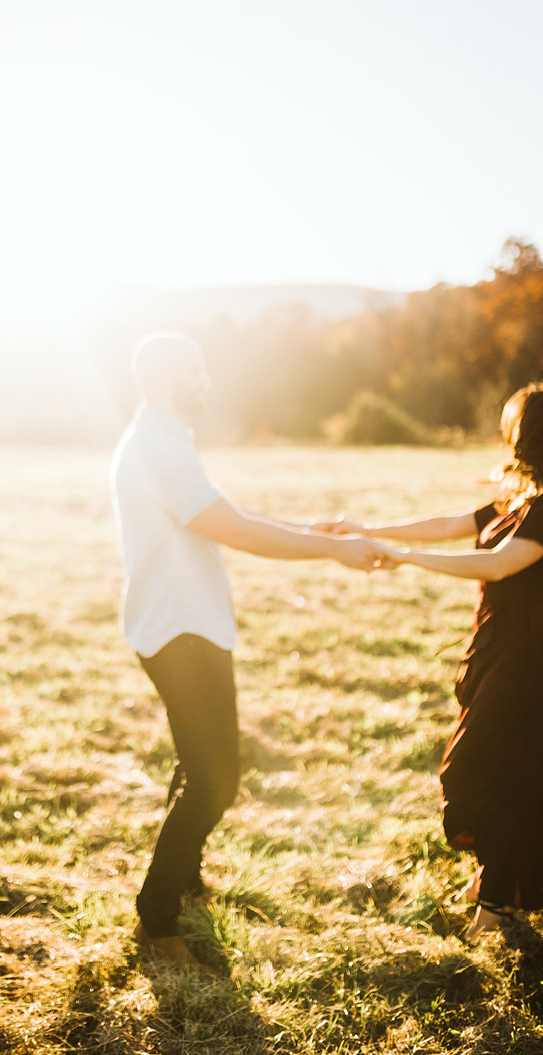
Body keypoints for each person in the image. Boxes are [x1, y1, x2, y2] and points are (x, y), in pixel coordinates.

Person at [111, 331, 388, 969]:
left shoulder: (165, 439)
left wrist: (304, 529)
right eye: (194, 370)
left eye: (205, 369)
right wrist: (333, 550)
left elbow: (220, 511)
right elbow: (232, 529)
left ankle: (184, 881)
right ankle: (156, 920)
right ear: (159, 378)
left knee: (198, 763)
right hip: (179, 629)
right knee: (217, 779)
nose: (205, 381)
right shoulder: (155, 446)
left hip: (187, 623)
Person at [325, 382, 543, 939]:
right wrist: (367, 532)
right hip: (495, 645)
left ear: (537, 434)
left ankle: (497, 906)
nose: (507, 432)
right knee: (504, 770)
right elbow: (450, 525)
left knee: (485, 775)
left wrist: (403, 558)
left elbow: (496, 566)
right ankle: (496, 878)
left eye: (515, 422)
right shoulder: (524, 497)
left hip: (525, 657)